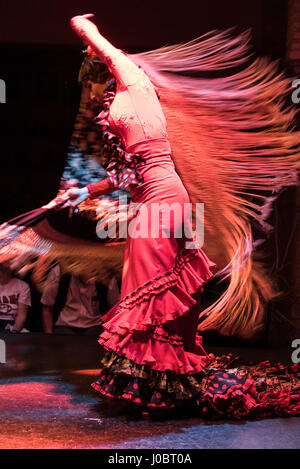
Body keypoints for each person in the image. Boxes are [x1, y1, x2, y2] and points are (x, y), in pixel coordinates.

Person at [60, 14, 300, 418]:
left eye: (96, 63)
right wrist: (84, 191)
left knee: (150, 287)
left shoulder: (136, 84)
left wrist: (81, 25)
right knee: (153, 286)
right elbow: (128, 172)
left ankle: (152, 382)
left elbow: (108, 50)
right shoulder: (125, 104)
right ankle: (164, 382)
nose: (95, 70)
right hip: (152, 198)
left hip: (161, 201)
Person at [41, 264, 118, 335]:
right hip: (65, 325)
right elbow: (47, 307)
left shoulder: (105, 276)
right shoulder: (59, 272)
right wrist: (49, 336)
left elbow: (115, 308)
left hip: (95, 325)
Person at [0, 261, 31, 333]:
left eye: (4, 269)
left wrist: (14, 332)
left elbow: (21, 315)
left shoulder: (22, 286)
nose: (2, 272)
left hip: (13, 324)